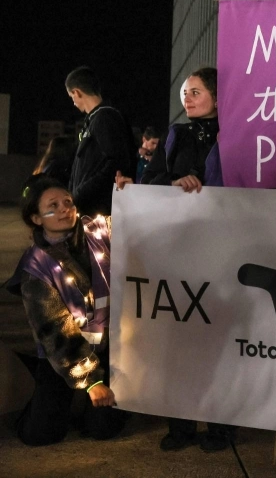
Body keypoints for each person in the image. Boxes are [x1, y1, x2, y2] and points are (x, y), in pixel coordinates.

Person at [125, 67, 230, 452]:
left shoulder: (239, 134)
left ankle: (222, 427)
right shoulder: (176, 134)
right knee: (179, 337)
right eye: (185, 92)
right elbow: (150, 182)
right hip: (180, 250)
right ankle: (180, 426)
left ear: (218, 97)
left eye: (196, 91)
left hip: (223, 248)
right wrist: (173, 184)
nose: (187, 98)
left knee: (219, 339)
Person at [5, 175, 126, 445]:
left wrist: (132, 193)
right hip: (63, 353)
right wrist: (91, 381)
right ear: (37, 218)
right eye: (53, 205)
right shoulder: (36, 267)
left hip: (111, 347)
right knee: (40, 435)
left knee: (102, 429)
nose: (64, 209)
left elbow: (141, 222)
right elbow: (55, 330)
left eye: (67, 201)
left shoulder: (99, 231)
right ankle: (44, 386)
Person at [65, 66, 135, 216]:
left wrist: (80, 193)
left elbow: (116, 163)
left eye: (71, 97)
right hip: (89, 208)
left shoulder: (105, 118)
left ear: (77, 92)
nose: (73, 102)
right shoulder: (94, 119)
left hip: (98, 211)